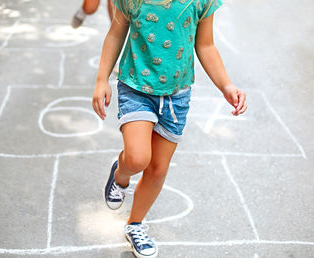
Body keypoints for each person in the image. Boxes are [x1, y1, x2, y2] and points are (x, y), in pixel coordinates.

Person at [92, 0, 247, 257]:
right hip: (136, 88)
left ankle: (135, 224)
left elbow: (206, 45)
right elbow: (116, 33)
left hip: (177, 96)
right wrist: (101, 80)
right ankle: (120, 174)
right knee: (138, 158)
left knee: (157, 169)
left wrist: (227, 86)